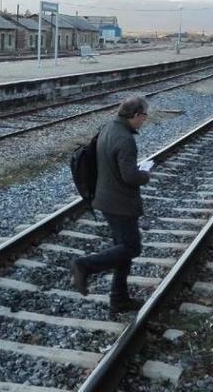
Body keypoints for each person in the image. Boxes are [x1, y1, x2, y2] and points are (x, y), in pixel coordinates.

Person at [70, 96, 152, 313]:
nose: (144, 120)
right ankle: (85, 265)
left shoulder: (108, 127)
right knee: (132, 248)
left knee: (122, 250)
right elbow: (130, 177)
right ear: (135, 115)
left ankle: (119, 298)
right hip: (121, 203)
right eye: (144, 116)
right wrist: (145, 174)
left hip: (105, 199)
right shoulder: (125, 139)